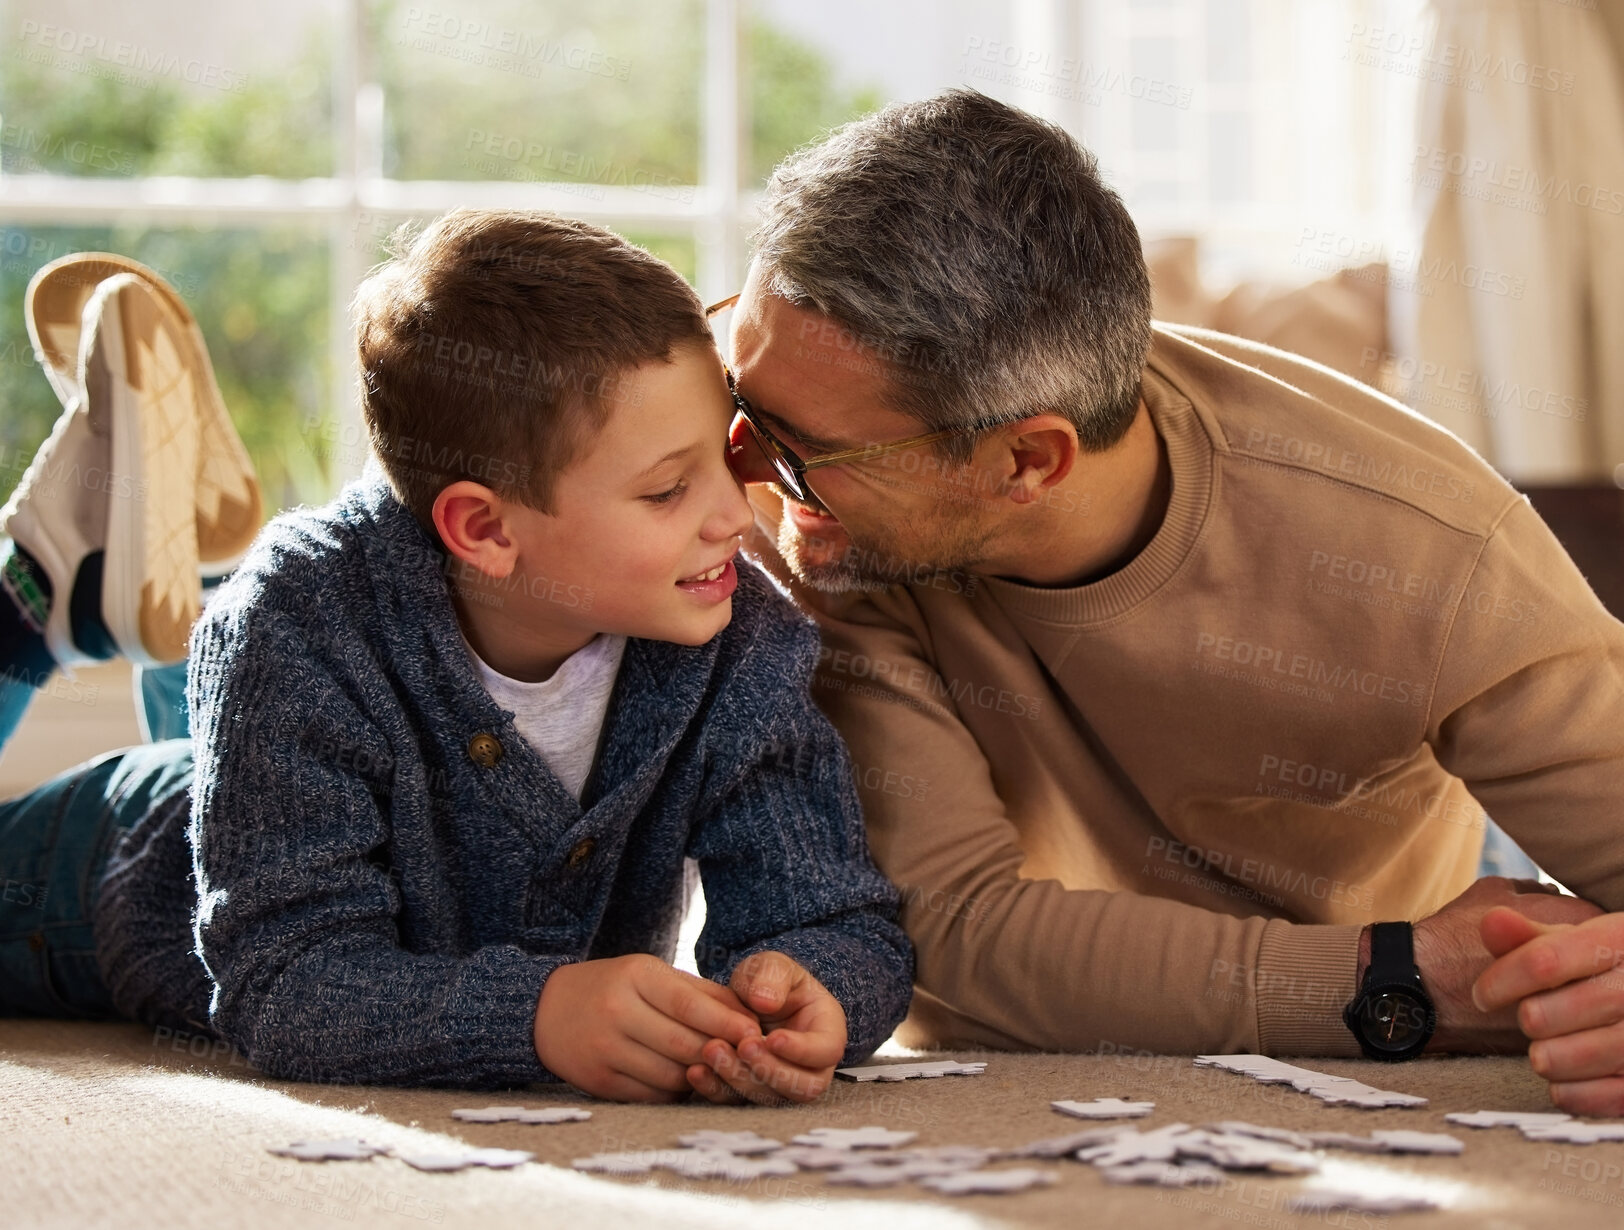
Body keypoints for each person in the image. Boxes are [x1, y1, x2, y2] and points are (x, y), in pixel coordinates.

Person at [716, 89, 1624, 1112]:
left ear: (1027, 460)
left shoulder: (1434, 553)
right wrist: (1396, 977)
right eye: (737, 398)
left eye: (798, 449)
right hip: (1006, 1091)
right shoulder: (819, 522)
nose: (731, 466)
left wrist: (1560, 988)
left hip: (1342, 1099)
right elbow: (951, 935)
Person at [0, 211, 912, 1102]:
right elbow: (286, 985)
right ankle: (41, 578)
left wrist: (814, 985)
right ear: (484, 528)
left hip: (280, 724)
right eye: (668, 489)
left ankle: (140, 565)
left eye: (723, 457)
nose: (734, 515)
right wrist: (537, 1016)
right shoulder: (299, 614)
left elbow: (835, 915)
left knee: (263, 689)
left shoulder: (740, 637)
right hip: (101, 878)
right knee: (256, 663)